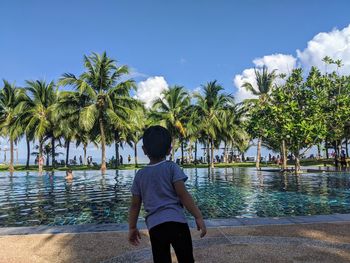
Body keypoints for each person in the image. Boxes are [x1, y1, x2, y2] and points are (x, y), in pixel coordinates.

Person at [128, 126, 206, 263]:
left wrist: (132, 227)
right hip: (177, 224)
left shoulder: (140, 175)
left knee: (161, 259)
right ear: (170, 150)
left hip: (155, 227)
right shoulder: (172, 168)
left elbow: (135, 206)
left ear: (144, 150)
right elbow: (183, 195)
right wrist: (198, 216)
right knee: (186, 258)